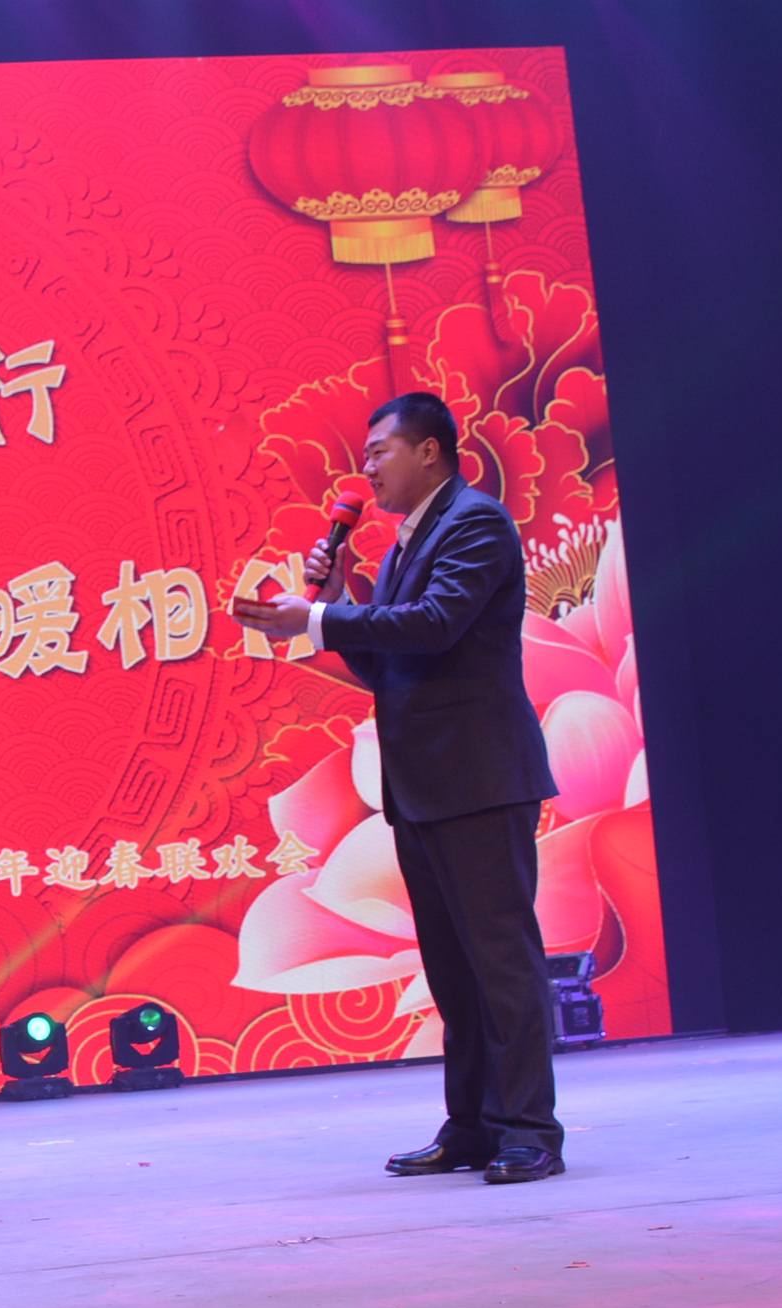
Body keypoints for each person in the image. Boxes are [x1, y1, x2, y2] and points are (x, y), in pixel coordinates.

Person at [232, 391, 565, 1183]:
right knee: (452, 968)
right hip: (423, 785)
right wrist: (335, 601)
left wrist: (316, 620)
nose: (369, 470)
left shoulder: (475, 524)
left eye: (380, 452)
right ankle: (473, 1126)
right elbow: (387, 663)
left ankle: (529, 1129)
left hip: (479, 779)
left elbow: (436, 624)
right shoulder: (403, 547)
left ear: (429, 452)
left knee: (500, 961)